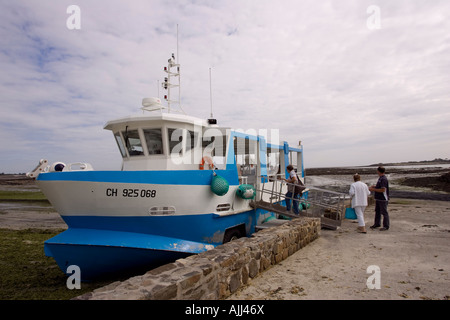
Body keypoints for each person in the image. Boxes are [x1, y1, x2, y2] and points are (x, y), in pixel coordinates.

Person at [369, 166, 390, 231]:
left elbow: (383, 190)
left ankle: (386, 226)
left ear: (378, 171)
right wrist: (375, 186)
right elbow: (380, 187)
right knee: (377, 211)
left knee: (384, 212)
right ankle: (377, 223)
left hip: (383, 198)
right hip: (378, 198)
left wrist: (373, 189)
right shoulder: (381, 178)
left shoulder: (383, 179)